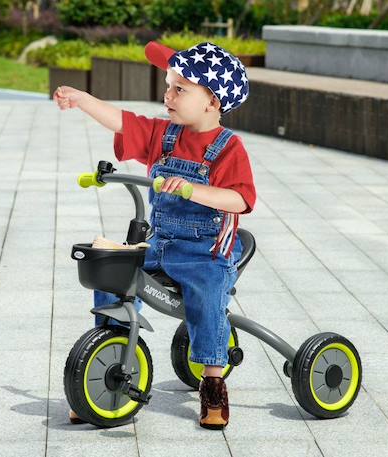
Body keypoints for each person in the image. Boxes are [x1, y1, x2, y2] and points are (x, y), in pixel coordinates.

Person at [54, 40, 256, 430]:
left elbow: (239, 198)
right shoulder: (165, 134)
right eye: (168, 85)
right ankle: (107, 354)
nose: (168, 95)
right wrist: (82, 99)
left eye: (180, 88)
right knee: (113, 268)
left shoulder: (229, 148)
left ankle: (213, 381)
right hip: (161, 244)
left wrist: (191, 189)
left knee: (208, 295)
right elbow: (123, 121)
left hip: (205, 252)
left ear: (212, 101)